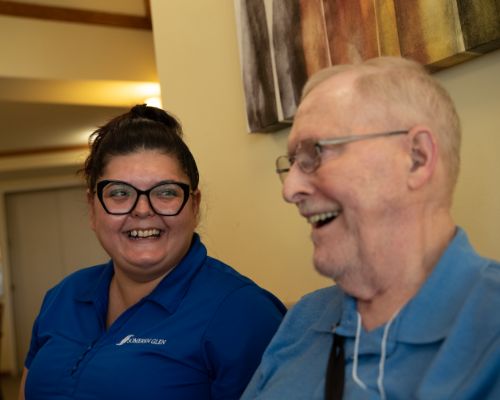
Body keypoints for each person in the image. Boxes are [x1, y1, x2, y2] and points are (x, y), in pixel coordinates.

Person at [241, 56, 500, 399]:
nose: (289, 190)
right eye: (292, 164)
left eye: (315, 154)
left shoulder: (489, 327)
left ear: (417, 158)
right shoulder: (304, 320)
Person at [19, 104, 286, 400]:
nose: (143, 210)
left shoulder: (243, 312)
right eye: (120, 193)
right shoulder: (64, 296)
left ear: (194, 206)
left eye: (166, 192)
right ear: (93, 208)